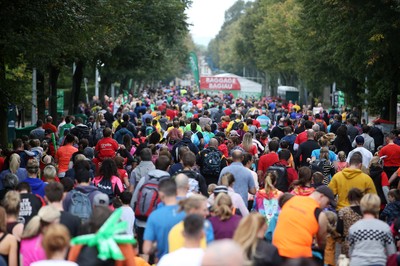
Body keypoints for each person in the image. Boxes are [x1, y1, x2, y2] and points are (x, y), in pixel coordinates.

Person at [273, 186, 334, 259]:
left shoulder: (292, 200)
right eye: (327, 203)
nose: (326, 206)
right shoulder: (319, 214)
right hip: (299, 256)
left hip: (276, 251)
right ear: (321, 196)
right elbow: (322, 242)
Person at [143, 179, 185, 260]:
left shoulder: (154, 216)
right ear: (176, 192)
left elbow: (146, 249)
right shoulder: (188, 212)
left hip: (163, 260)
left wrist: (157, 245)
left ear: (161, 194)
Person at [348, 194, 396, 265]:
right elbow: (391, 252)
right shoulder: (384, 227)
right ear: (378, 207)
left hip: (357, 262)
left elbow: (351, 251)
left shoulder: (353, 228)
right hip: (378, 262)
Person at [336, 188, 363, 257]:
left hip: (348, 243)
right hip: (363, 242)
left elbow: (339, 229)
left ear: (348, 198)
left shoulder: (343, 211)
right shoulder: (366, 211)